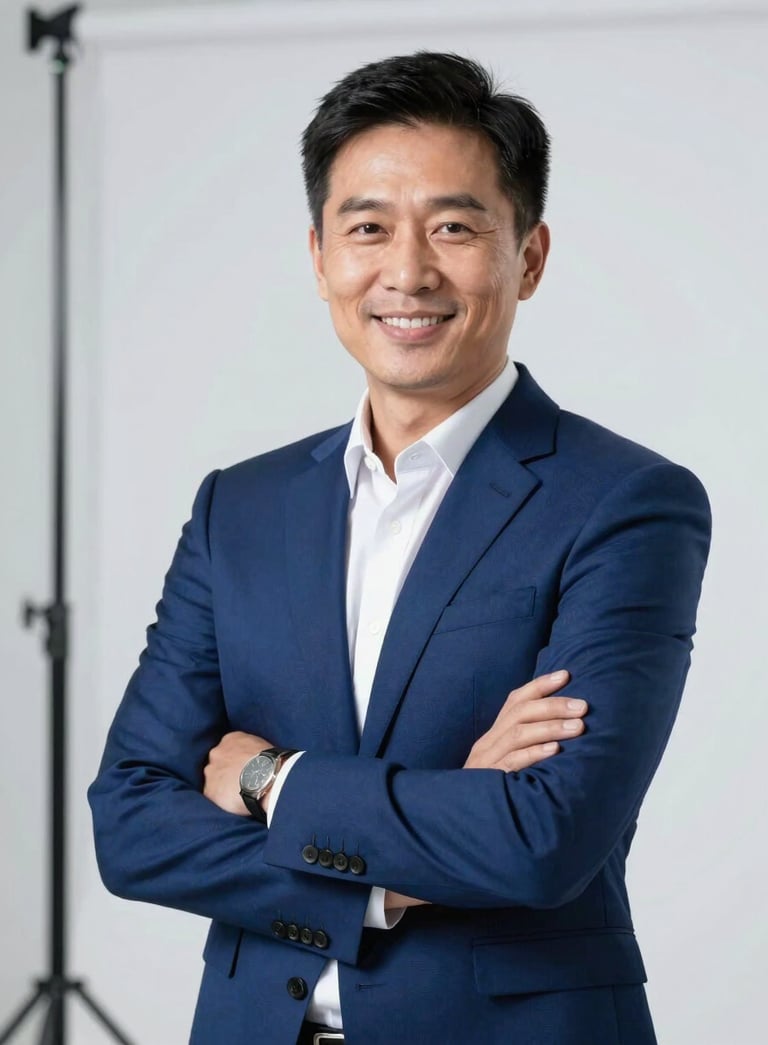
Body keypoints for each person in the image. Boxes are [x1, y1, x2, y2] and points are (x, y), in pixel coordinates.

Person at [88, 52, 711, 1045]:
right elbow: (131, 825)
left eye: (455, 227)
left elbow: (543, 838)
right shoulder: (238, 508)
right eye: (368, 227)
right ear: (320, 255)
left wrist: (270, 781)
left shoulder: (626, 503)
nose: (408, 271)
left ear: (530, 256)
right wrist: (392, 876)